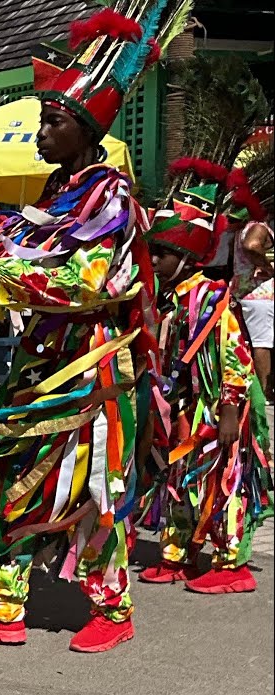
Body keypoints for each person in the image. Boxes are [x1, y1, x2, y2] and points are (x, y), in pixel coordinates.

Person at [0, 0, 189, 652]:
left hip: (91, 368)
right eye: (42, 118)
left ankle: (114, 607)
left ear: (83, 128)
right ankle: (1, 607)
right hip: (43, 363)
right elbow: (12, 239)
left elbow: (97, 282)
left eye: (52, 120)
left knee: (85, 486)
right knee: (17, 476)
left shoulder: (109, 196)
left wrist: (5, 279)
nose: (41, 130)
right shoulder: (58, 192)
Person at [141, 169, 272, 594]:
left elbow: (234, 353)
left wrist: (232, 408)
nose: (154, 261)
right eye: (152, 252)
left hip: (217, 407)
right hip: (183, 405)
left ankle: (232, 563)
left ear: (186, 255)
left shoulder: (211, 298)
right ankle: (178, 553)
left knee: (221, 481)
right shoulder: (171, 298)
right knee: (179, 480)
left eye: (161, 253)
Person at [232, 209, 273, 399]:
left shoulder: (243, 228)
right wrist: (267, 266)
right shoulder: (258, 226)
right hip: (259, 294)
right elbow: (252, 246)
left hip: (247, 292)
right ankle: (262, 394)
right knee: (262, 343)